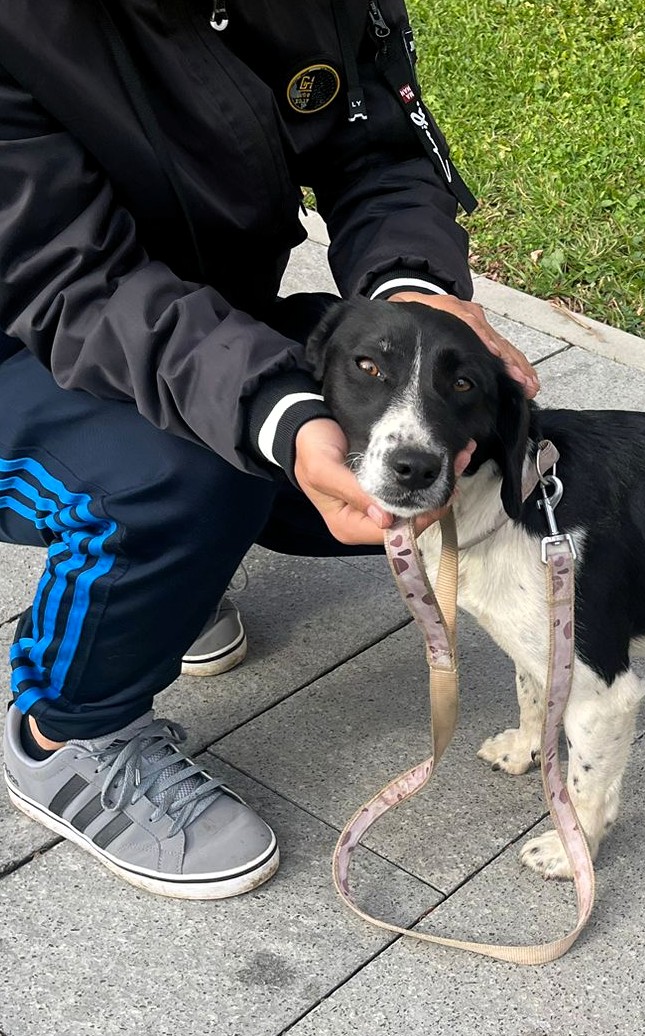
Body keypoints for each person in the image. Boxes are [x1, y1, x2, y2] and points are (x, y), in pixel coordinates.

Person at [0, 0, 538, 900]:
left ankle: (167, 583)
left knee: (438, 431)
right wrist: (270, 410)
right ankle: (65, 733)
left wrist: (412, 295)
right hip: (23, 331)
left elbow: (376, 149)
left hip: (177, 318)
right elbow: (66, 278)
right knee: (186, 478)